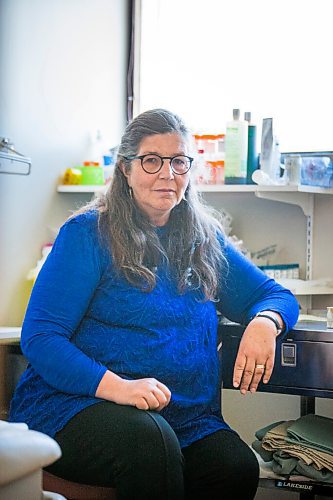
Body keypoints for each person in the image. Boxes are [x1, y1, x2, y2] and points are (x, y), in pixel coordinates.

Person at [10, 109, 299, 500]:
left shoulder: (204, 240)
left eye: (179, 161)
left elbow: (273, 295)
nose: (168, 173)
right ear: (126, 169)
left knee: (235, 467)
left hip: (185, 419)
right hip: (75, 407)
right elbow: (41, 338)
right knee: (150, 443)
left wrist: (266, 322)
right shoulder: (88, 234)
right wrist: (117, 388)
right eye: (152, 160)